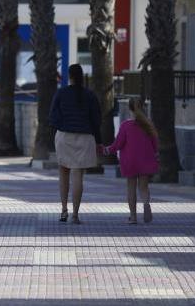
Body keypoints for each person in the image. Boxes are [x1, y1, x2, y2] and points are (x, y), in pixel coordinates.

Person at [48, 64, 102, 224]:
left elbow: (53, 117)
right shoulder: (90, 95)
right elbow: (96, 120)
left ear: (69, 76)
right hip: (85, 138)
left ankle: (64, 210)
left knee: (63, 174)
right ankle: (75, 215)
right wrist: (98, 141)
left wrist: (59, 130)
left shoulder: (61, 93)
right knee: (78, 175)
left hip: (64, 136)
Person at [100, 98, 160, 224]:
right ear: (143, 107)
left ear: (130, 109)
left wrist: (105, 150)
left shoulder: (126, 126)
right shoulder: (149, 125)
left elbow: (117, 145)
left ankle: (133, 217)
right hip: (146, 159)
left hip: (130, 161)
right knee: (144, 186)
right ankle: (146, 204)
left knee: (131, 187)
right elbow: (155, 145)